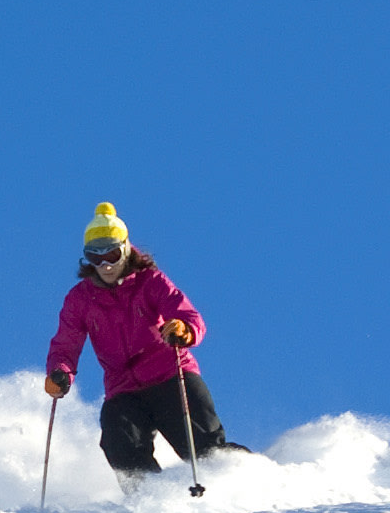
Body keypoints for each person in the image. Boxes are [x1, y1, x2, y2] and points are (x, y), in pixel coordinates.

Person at [43, 203, 241, 485]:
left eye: (111, 254)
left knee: (205, 449)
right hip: (123, 389)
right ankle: (151, 500)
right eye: (95, 258)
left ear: (125, 248)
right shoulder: (81, 299)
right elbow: (66, 343)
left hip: (171, 377)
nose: (106, 265)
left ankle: (247, 482)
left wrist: (183, 330)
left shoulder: (150, 282)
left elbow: (188, 315)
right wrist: (59, 372)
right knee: (119, 443)